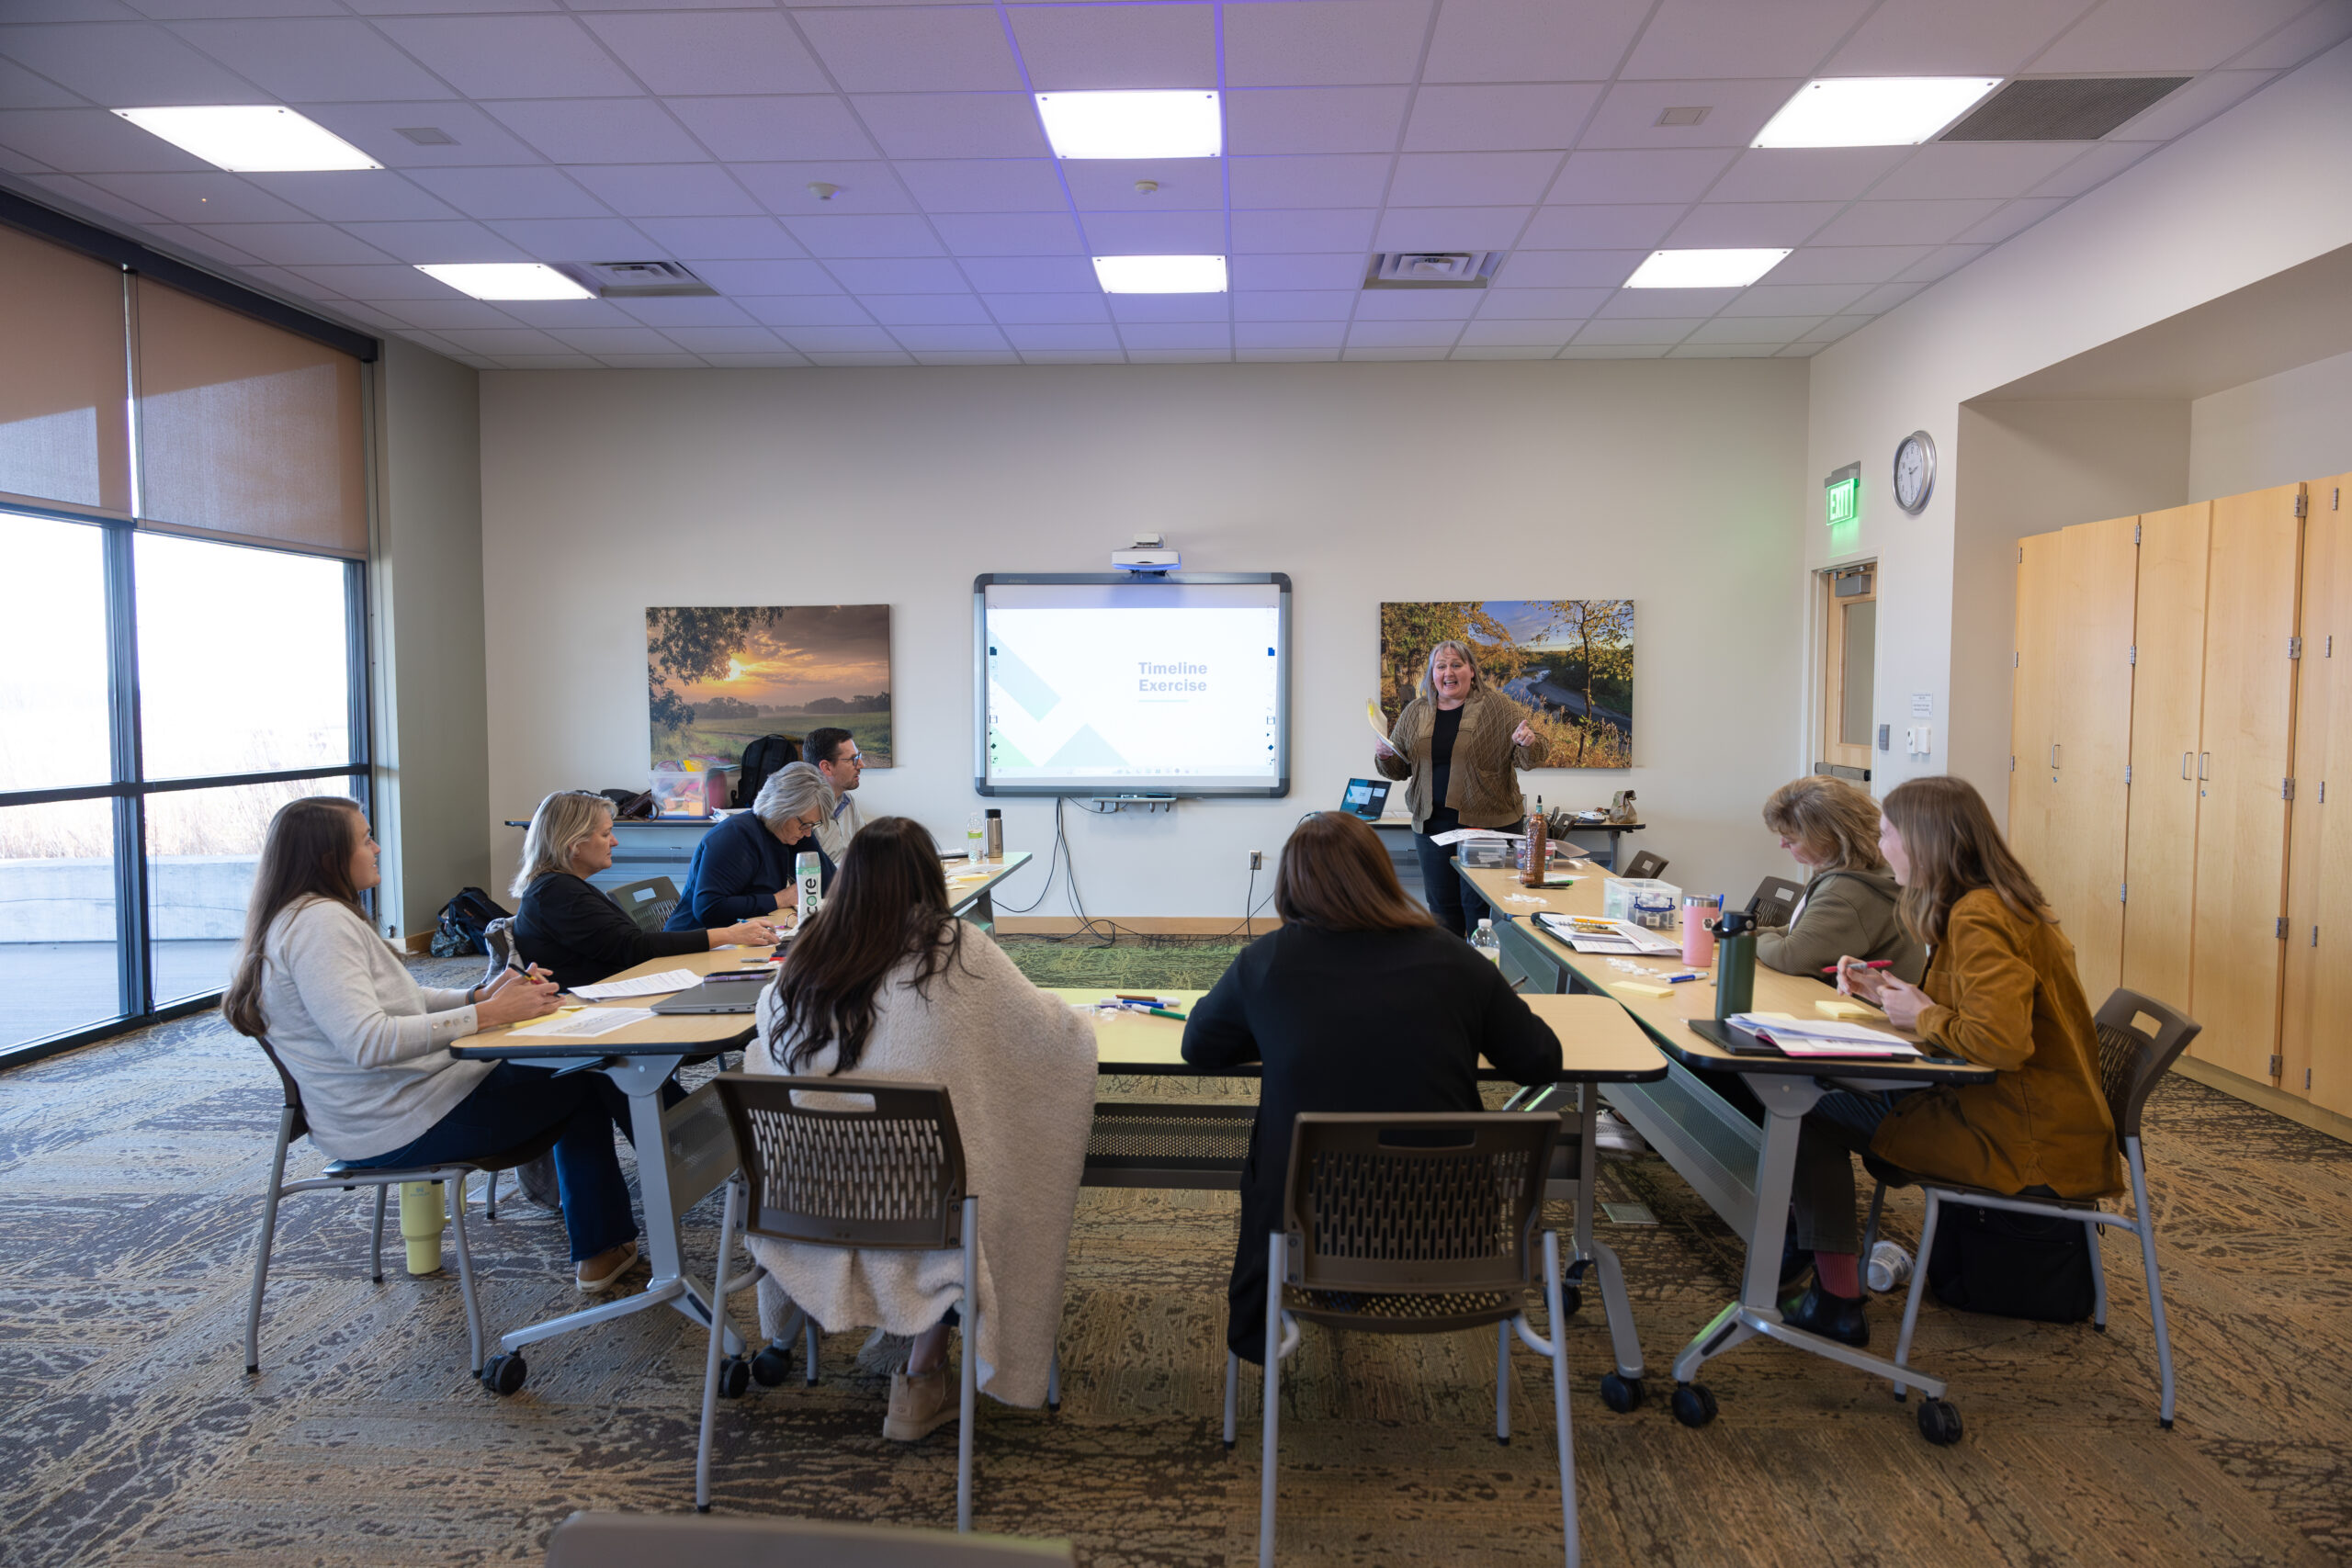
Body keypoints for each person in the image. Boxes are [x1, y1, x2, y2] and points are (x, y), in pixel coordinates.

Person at [744, 816, 1095, 1441]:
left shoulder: (799, 963)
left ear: (846, 881)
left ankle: (819, 1326)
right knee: (983, 1169)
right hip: (920, 1219)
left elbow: (763, 1066)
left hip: (805, 1207)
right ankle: (921, 1374)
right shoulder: (955, 950)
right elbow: (1048, 1038)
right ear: (930, 878)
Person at [1182, 811, 1562, 1363]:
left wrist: (1276, 1033)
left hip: (1311, 1237)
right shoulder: (1457, 957)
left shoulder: (1267, 964)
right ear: (1382, 876)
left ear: (1290, 884)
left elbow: (1200, 1047)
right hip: (1455, 1233)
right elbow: (1540, 1061)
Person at [224, 796, 646, 1291]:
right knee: (587, 1072)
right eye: (364, 839)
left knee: (579, 1067)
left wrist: (477, 994)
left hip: (398, 1102)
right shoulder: (319, 926)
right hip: (395, 1121)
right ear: (327, 858)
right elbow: (369, 1041)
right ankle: (635, 1216)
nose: (378, 847)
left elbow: (401, 996)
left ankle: (616, 1234)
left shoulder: (311, 917)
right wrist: (486, 1014)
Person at [1783, 775, 2124, 1347]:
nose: (1881, 845)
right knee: (1820, 1091)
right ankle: (1801, 1255)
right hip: (2017, 1109)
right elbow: (1981, 1012)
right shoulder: (1987, 901)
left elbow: (2000, 1042)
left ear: (1923, 842)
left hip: (2020, 1135)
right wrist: (1887, 995)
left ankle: (1832, 1294)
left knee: (1805, 1108)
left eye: (1888, 833)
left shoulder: (1979, 915)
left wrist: (1922, 1018)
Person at [510, 790, 779, 990]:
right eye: (605, 834)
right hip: (602, 1008)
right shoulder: (556, 894)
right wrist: (729, 934)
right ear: (573, 843)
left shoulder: (560, 887)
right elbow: (634, 947)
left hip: (619, 992)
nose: (614, 841)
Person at [1373, 639, 1549, 937]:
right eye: (1441, 666)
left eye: (1456, 665)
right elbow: (1399, 770)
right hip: (1432, 827)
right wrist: (1385, 755)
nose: (1448, 672)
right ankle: (1449, 974)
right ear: (1432, 674)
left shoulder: (1498, 706)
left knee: (1477, 908)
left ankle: (1481, 974)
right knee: (1442, 908)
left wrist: (1528, 743)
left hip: (1486, 828)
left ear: (1472, 671)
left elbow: (1530, 757)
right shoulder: (1415, 711)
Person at [1752, 774, 1926, 983]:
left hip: (1868, 1010)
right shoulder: (1861, 872)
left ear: (1827, 839)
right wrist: (1743, 930)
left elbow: (1791, 957)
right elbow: (1798, 932)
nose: (1782, 845)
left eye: (1790, 840)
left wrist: (1746, 939)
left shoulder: (1847, 891)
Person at [666, 763, 835, 931]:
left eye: (813, 825)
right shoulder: (735, 836)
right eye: (805, 824)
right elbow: (709, 908)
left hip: (742, 938)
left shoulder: (794, 834)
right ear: (781, 809)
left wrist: (806, 836)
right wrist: (779, 900)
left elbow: (831, 885)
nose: (808, 833)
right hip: (694, 941)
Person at [805, 726, 867, 864]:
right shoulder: (804, 813)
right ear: (827, 767)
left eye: (859, 757)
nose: (861, 764)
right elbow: (809, 872)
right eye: (853, 759)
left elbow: (866, 847)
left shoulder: (847, 800)